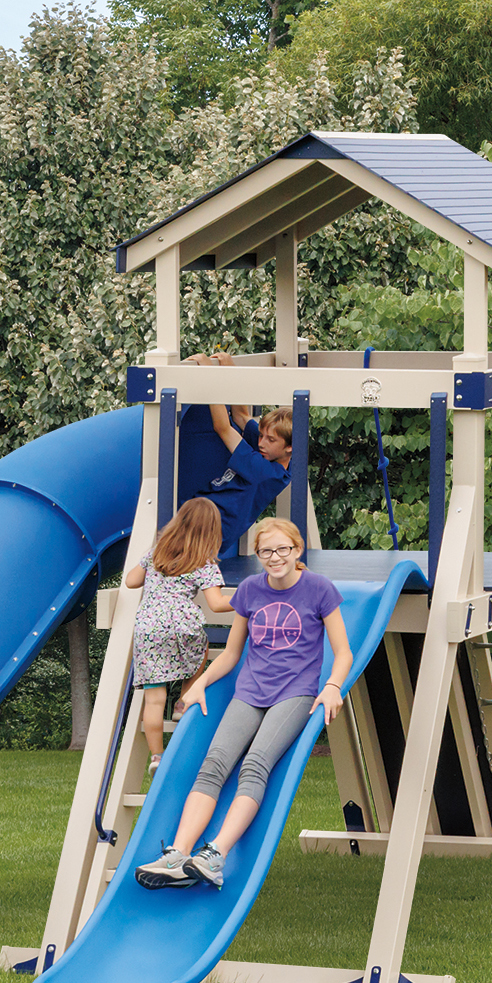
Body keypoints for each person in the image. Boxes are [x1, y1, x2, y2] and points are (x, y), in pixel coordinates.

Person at [136, 516, 350, 890]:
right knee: (214, 764)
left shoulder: (319, 589)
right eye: (266, 551)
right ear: (258, 555)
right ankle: (178, 855)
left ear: (297, 551)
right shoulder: (251, 590)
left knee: (254, 764)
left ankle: (215, 855)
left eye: (283, 549)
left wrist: (332, 685)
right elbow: (233, 653)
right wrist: (199, 683)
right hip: (250, 691)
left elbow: (343, 652)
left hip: (295, 692)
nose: (275, 557)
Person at [123, 499, 234, 773]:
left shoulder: (156, 553)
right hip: (184, 626)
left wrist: (151, 564)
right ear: (212, 532)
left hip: (149, 628)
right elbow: (218, 604)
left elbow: (131, 581)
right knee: (201, 650)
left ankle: (157, 757)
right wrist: (250, 596)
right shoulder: (204, 562)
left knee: (153, 698)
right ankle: (183, 701)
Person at [173, 351, 296, 560]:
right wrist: (230, 372)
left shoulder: (266, 473)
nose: (261, 442)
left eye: (270, 440)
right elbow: (241, 415)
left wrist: (210, 376)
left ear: (289, 448)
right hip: (203, 514)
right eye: (262, 435)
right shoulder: (274, 452)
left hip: (208, 533)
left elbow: (223, 427)